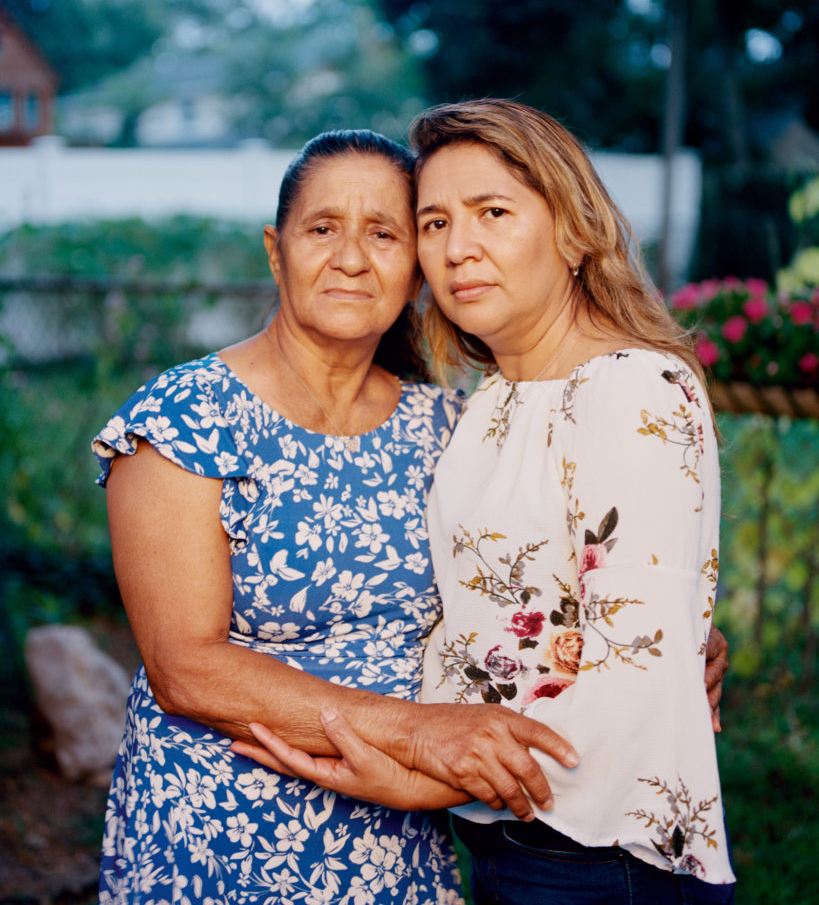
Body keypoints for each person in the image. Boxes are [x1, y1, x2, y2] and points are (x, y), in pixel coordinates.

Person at [241, 100, 736, 904]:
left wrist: (418, 785)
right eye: (432, 224)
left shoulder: (629, 386)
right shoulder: (496, 396)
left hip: (602, 853)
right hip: (518, 837)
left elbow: (634, 678)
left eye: (492, 213)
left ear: (574, 231)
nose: (457, 249)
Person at [91, 128, 583, 905]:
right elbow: (185, 668)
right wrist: (417, 731)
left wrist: (658, 638)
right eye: (322, 228)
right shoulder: (186, 416)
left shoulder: (450, 426)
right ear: (275, 249)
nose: (351, 258)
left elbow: (540, 585)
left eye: (383, 233)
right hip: (216, 837)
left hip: (395, 840)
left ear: (416, 268)